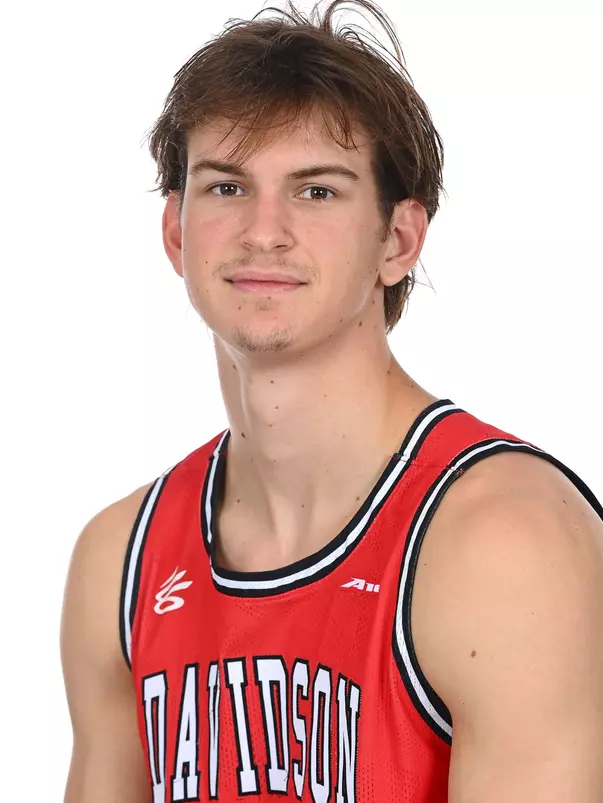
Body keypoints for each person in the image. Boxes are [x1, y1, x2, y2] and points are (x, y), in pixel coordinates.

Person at [60, 1, 603, 800]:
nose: (263, 230)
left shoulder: (502, 543)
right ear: (176, 231)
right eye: (226, 187)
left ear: (398, 240)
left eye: (315, 191)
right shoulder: (120, 560)